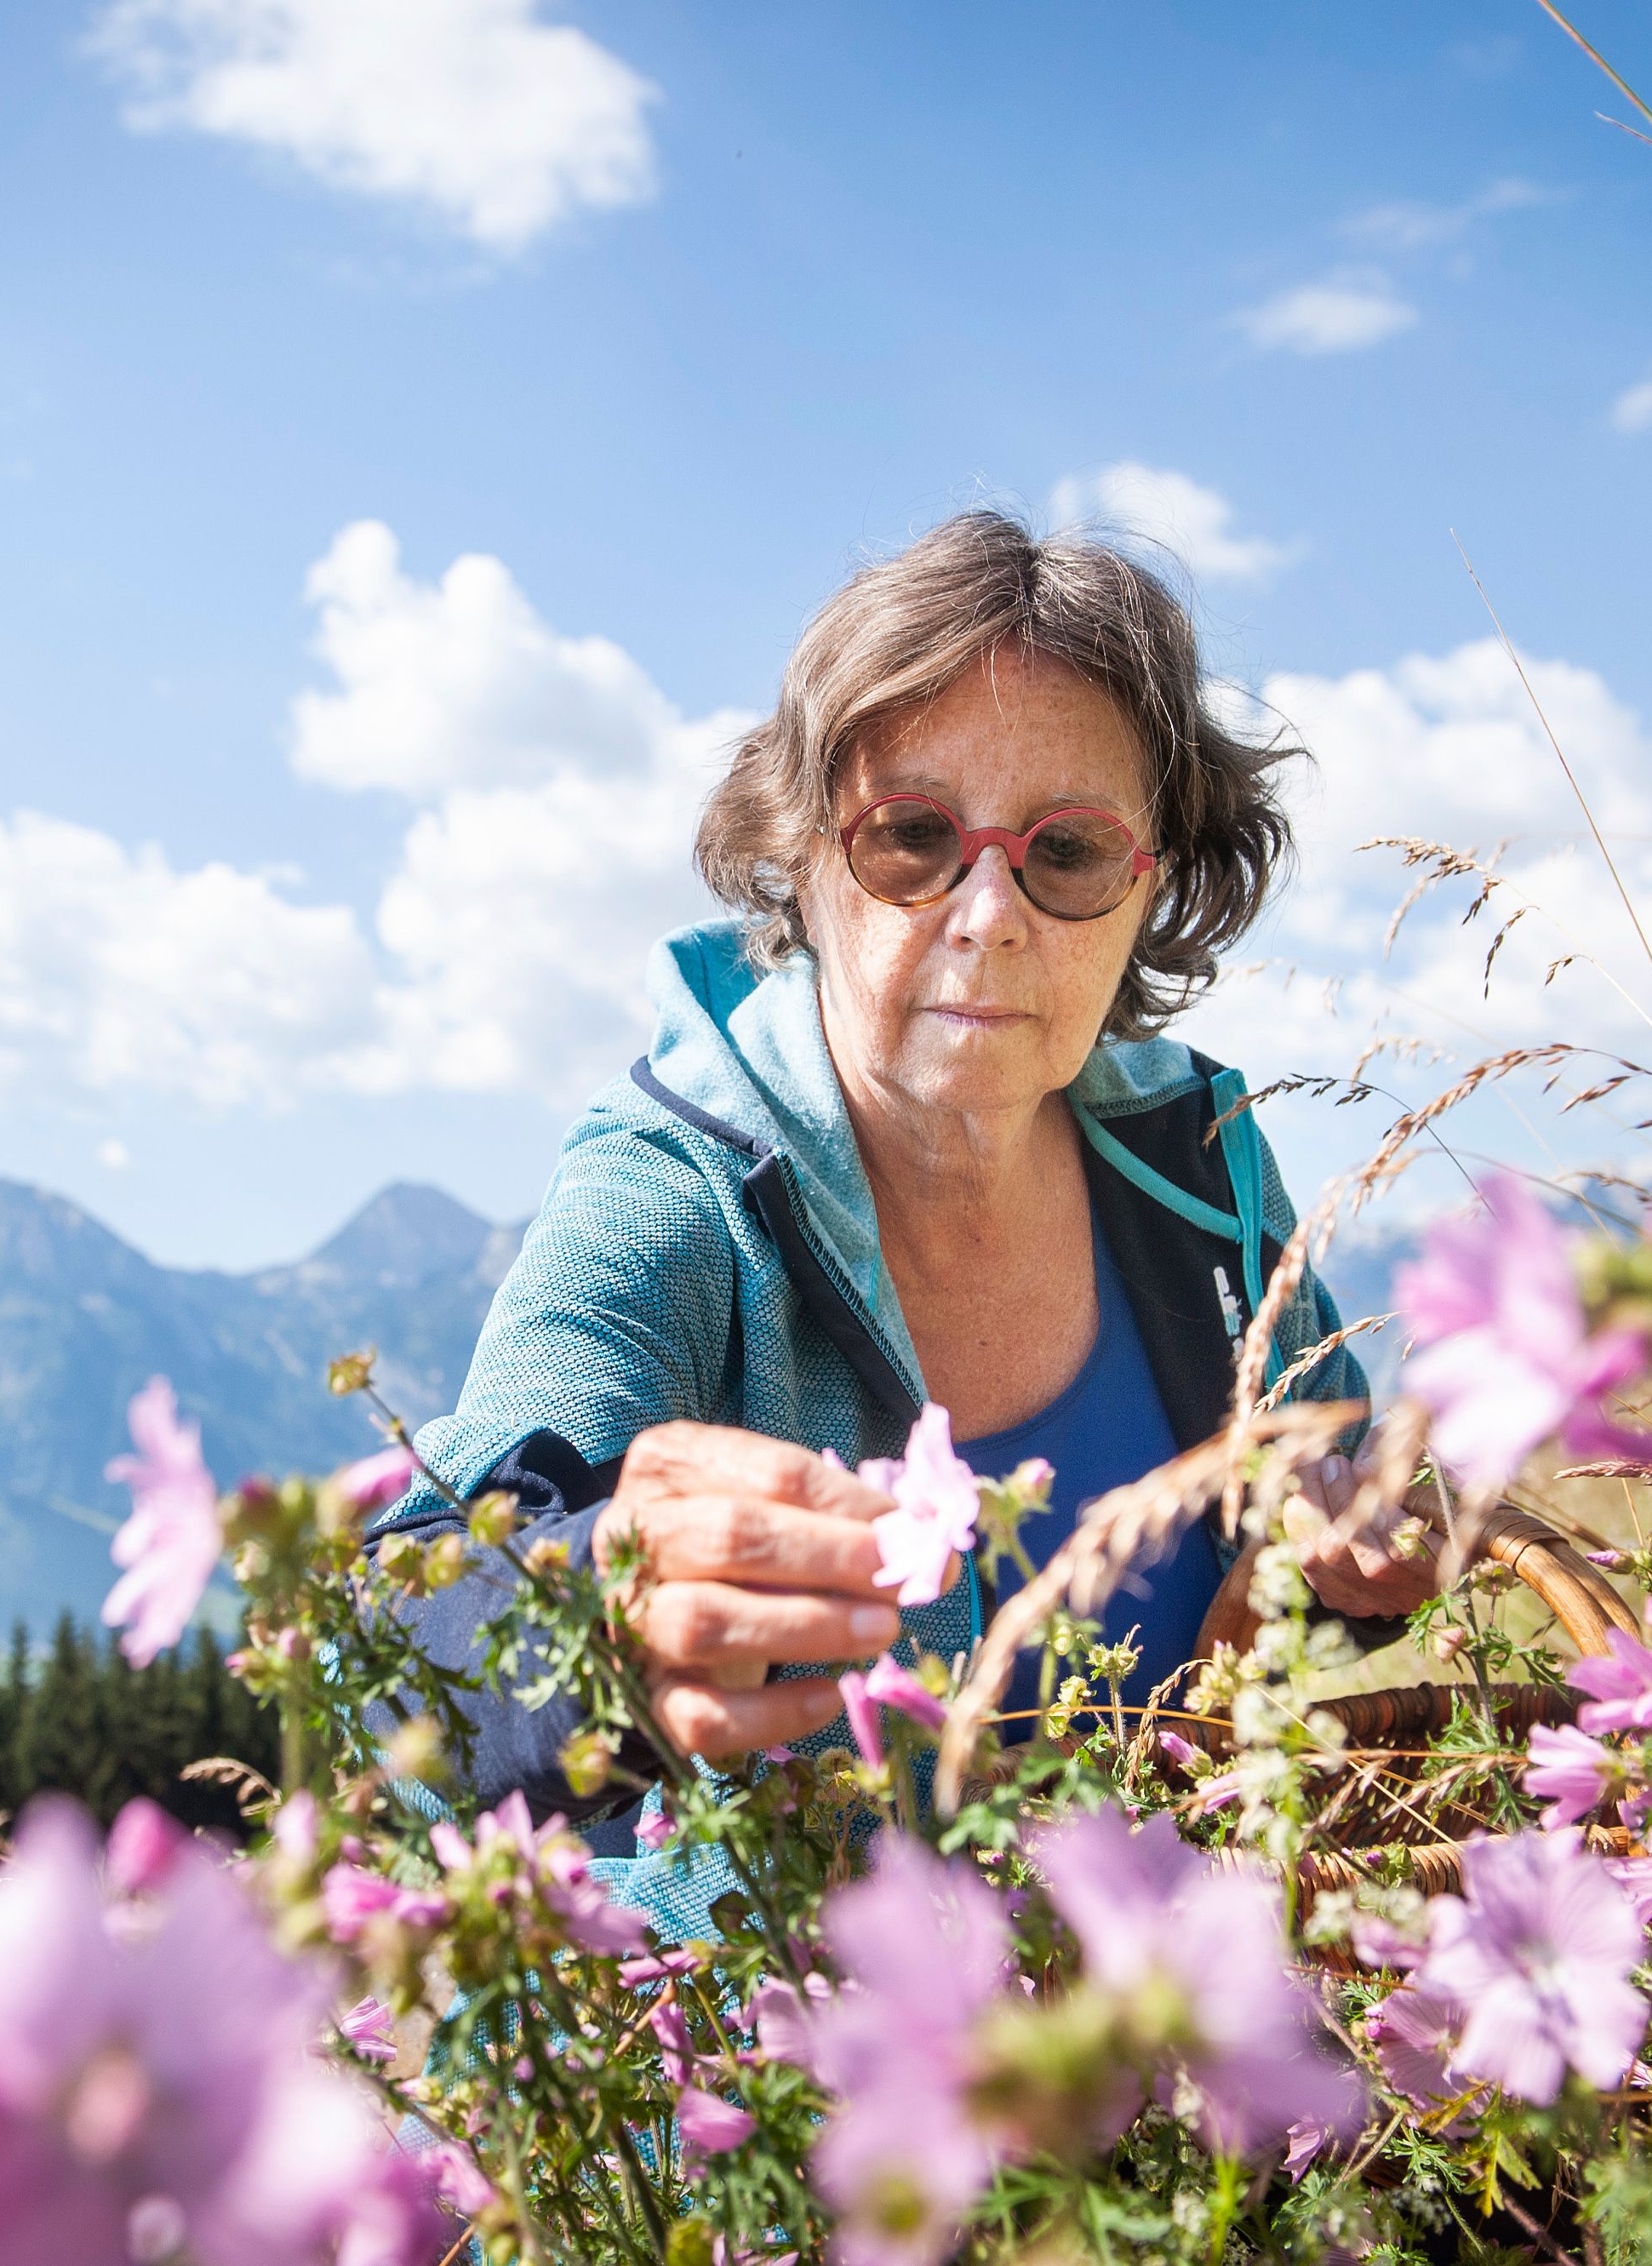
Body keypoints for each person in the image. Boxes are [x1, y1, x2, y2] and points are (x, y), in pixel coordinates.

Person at [374, 511, 1432, 1871]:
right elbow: (407, 1660)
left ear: (1148, 888)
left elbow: (1324, 1502)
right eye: (913, 835)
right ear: (804, 862)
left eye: (1068, 853)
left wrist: (1368, 1557)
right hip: (776, 2068)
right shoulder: (680, 1189)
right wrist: (592, 1612)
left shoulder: (1199, 1165)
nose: (990, 913)